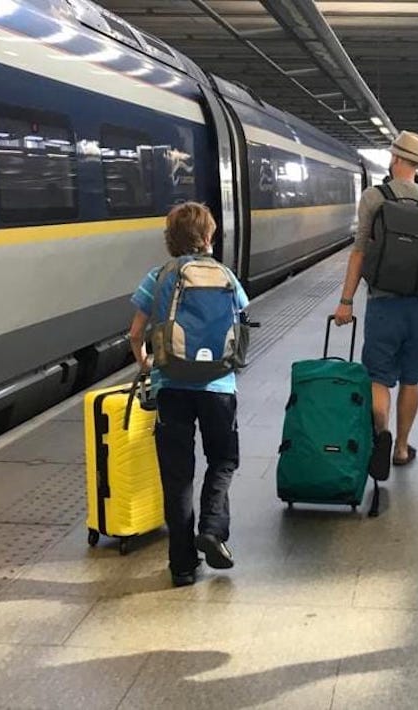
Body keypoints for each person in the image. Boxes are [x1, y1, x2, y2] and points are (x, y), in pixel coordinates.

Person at [128, 202, 249, 588]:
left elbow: (134, 334)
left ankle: (181, 566)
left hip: (171, 387)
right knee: (224, 459)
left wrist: (146, 362)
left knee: (177, 476)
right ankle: (212, 529)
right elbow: (240, 320)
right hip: (218, 386)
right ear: (209, 236)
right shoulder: (225, 275)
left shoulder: (158, 276)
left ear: (170, 239)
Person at [333, 131, 418, 475]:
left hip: (382, 303)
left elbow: (359, 251)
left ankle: (380, 435)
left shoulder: (374, 197)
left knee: (378, 378)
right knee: (411, 378)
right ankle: (401, 448)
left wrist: (345, 301)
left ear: (395, 159)